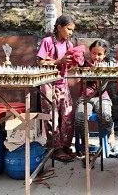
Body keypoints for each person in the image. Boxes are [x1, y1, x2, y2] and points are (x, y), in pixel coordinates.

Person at [37, 14, 85, 162]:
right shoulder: (47, 42)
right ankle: (55, 148)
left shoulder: (69, 45)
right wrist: (59, 60)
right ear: (59, 27)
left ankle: (65, 145)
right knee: (52, 117)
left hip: (62, 82)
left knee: (68, 115)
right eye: (68, 29)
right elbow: (40, 63)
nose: (70, 33)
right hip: (48, 83)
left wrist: (76, 61)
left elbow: (68, 65)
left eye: (72, 30)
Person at [75, 39, 115, 154]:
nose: (96, 57)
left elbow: (101, 89)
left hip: (101, 97)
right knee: (80, 119)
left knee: (105, 116)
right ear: (90, 53)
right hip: (85, 98)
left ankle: (110, 132)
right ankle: (84, 139)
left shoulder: (107, 68)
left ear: (104, 54)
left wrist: (99, 74)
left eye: (99, 54)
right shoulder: (84, 66)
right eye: (93, 53)